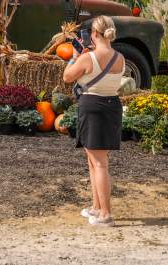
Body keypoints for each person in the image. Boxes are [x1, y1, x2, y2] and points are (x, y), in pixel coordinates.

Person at [63, 15, 125, 228]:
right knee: (94, 160)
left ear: (95, 34)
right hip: (112, 107)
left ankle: (106, 214)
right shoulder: (120, 57)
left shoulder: (88, 58)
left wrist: (74, 56)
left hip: (93, 108)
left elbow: (67, 77)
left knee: (99, 163)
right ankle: (96, 207)